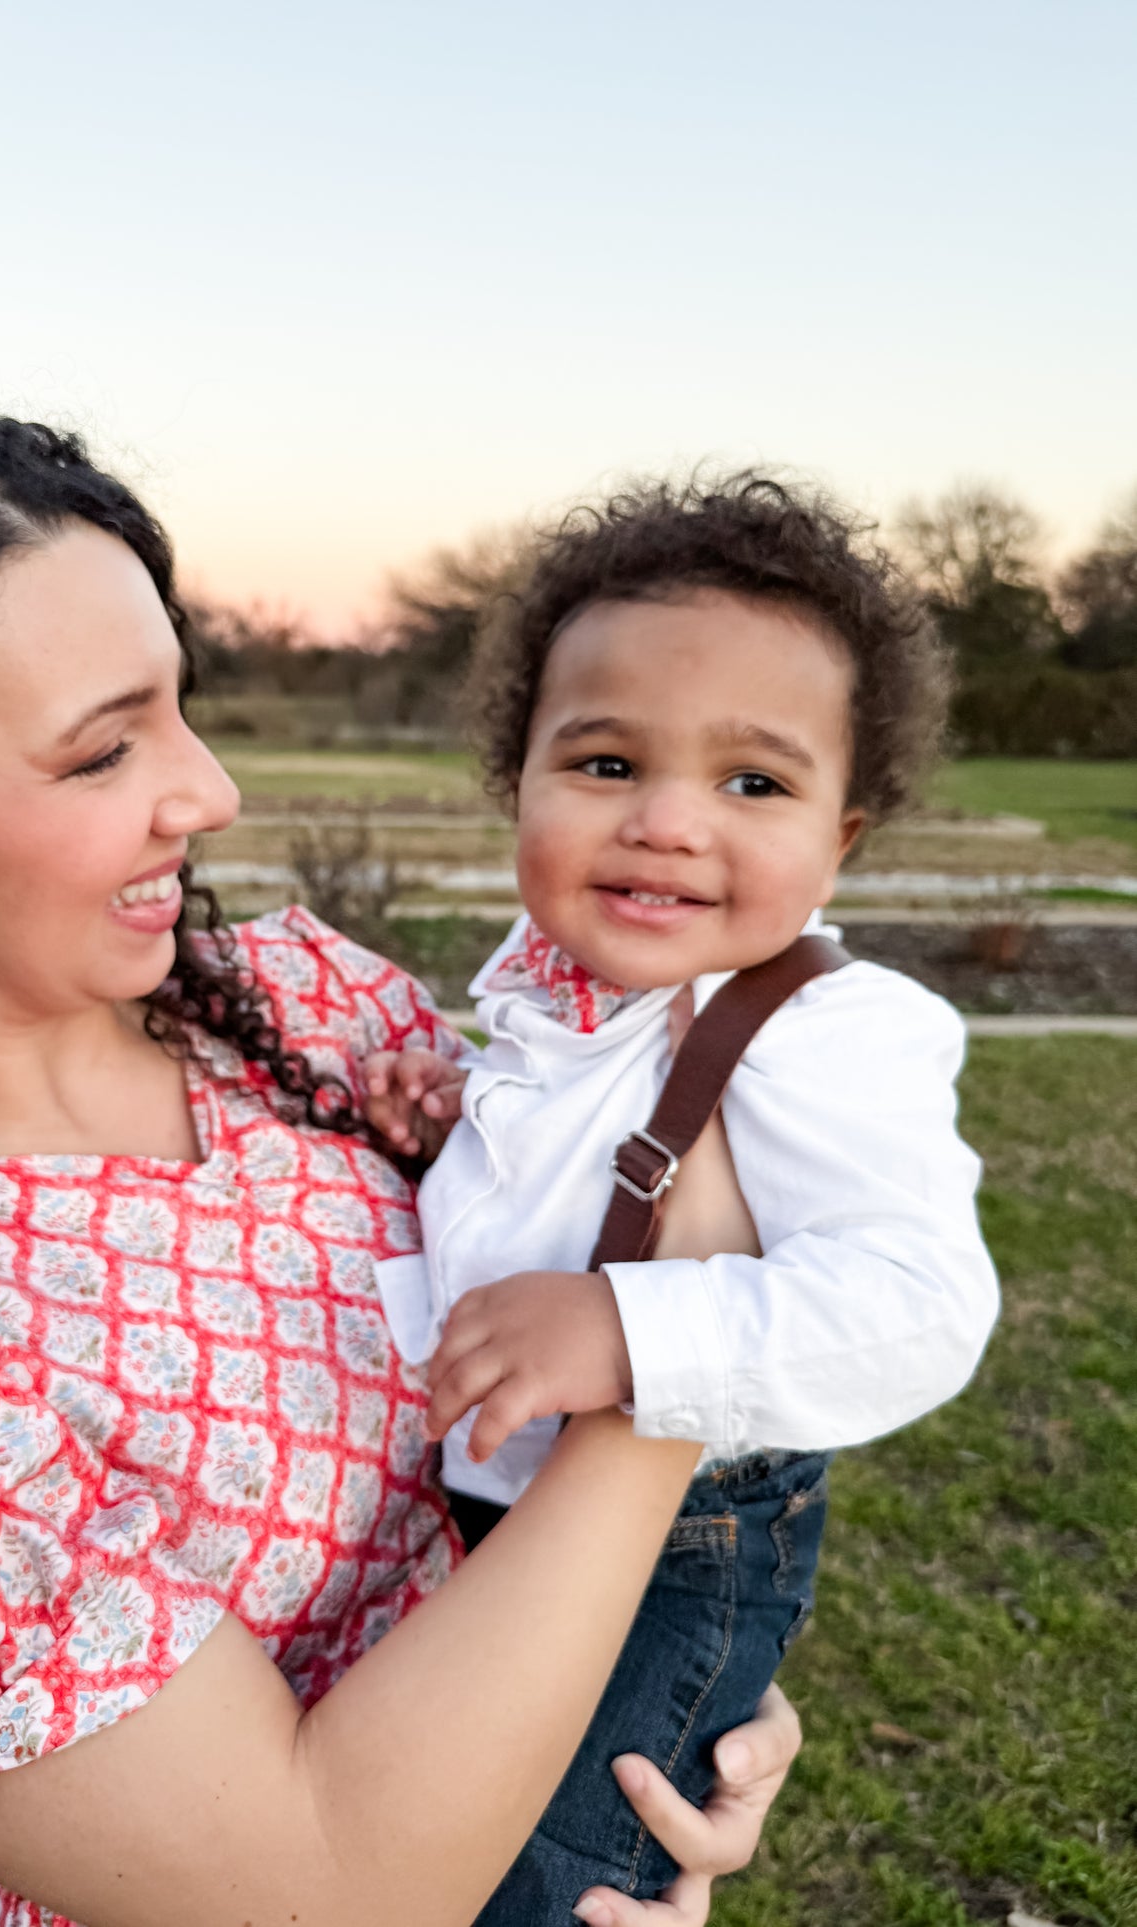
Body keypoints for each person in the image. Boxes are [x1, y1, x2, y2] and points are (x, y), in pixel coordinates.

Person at [0, 325, 799, 1927]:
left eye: (181, 706)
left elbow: (518, 1500)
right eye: (104, 747)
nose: (207, 790)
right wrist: (676, 1345)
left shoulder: (302, 1008)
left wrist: (668, 1727)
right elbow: (323, 1887)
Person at [363, 477, 1002, 1918]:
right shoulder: (557, 1008)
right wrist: (452, 1140)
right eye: (600, 764)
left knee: (538, 1882)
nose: (663, 821)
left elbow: (919, 1309)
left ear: (840, 837)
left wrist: (627, 1330)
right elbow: (573, 1182)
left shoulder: (825, 1029)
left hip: (680, 1547)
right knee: (422, 1830)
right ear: (512, 779)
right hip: (489, 1521)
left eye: (751, 784)